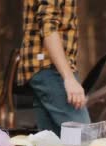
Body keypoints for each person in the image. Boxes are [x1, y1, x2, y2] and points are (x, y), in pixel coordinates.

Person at [17, 0, 90, 136]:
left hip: (42, 69)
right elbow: (48, 26)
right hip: (50, 68)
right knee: (84, 137)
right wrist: (68, 78)